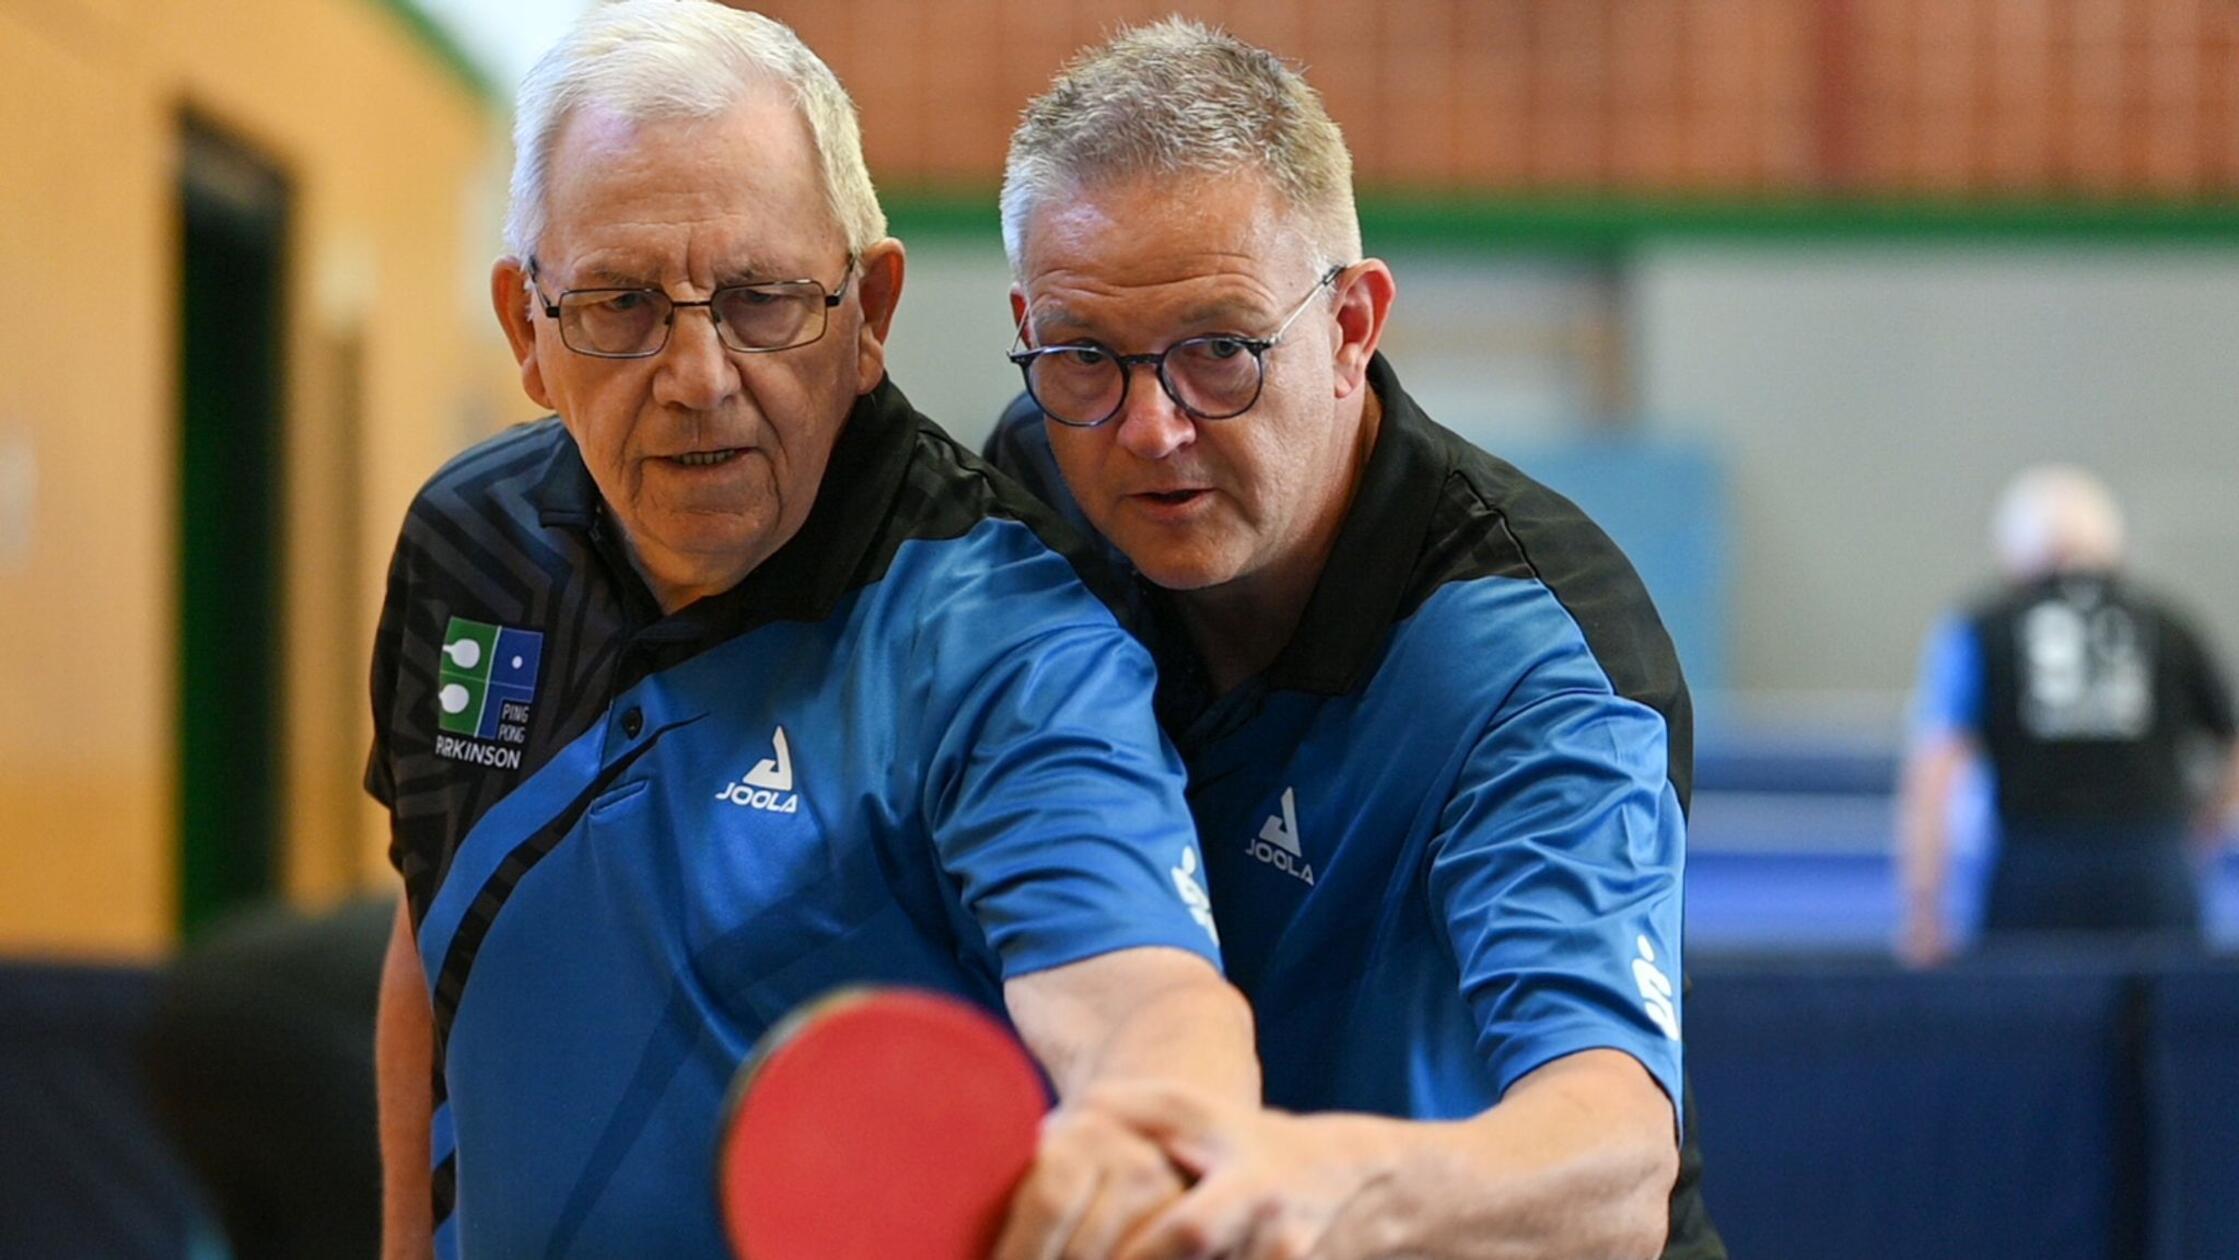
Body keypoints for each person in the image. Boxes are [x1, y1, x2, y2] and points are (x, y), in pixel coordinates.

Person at [364, 5, 1257, 1257]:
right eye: (621, 305)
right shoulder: (468, 544)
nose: (698, 375)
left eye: (762, 299)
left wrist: (1164, 1116)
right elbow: (430, 926)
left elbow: (1135, 986)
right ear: (527, 328)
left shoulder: (1007, 639)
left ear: (870, 310)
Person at [985, 21, 1716, 1260]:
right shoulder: (1034, 480)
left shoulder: (1531, 655)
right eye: (1085, 354)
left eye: (1219, 349)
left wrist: (1327, 1178)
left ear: (1353, 324)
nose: (1150, 427)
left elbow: (1613, 1158)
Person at [1898, 465, 2239, 964]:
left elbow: (1934, 770)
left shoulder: (1981, 627)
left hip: (2033, 872)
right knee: (2160, 1034)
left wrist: (1924, 908)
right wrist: (2203, 827)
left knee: (2031, 1033)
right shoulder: (2170, 625)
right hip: (2154, 868)